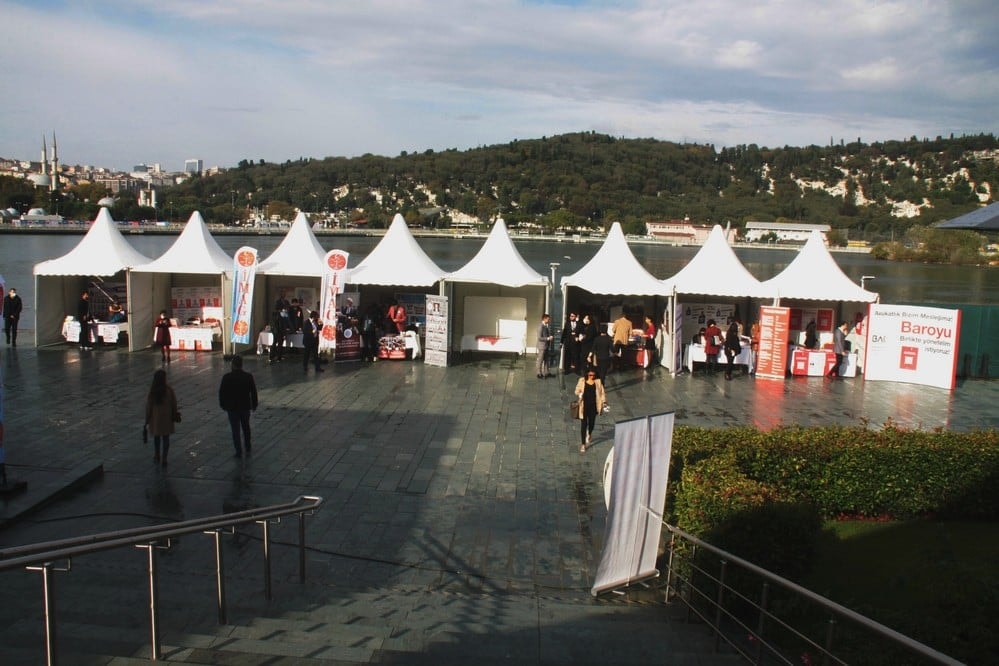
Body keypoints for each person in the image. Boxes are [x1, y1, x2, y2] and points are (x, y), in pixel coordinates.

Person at [219, 355, 259, 457]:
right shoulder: (248, 377)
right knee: (246, 427)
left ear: (233, 365)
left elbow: (222, 393)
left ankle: (238, 450)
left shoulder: (227, 377)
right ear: (241, 365)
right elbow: (253, 392)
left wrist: (223, 405)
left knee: (235, 430)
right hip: (245, 407)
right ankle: (248, 446)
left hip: (232, 408)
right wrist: (254, 404)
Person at [144, 368, 178, 467]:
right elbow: (174, 403)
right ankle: (164, 458)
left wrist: (147, 419)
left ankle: (157, 454)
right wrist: (174, 413)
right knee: (166, 438)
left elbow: (148, 407)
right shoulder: (169, 390)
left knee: (157, 437)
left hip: (156, 420)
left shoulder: (153, 392)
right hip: (167, 418)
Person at [574, 369, 607, 454]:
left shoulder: (598, 382)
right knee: (583, 425)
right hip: (584, 407)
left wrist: (604, 402)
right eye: (590, 375)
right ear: (587, 374)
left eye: (593, 375)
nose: (592, 377)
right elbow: (576, 391)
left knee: (591, 423)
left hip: (594, 406)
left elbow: (602, 393)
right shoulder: (582, 381)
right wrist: (580, 394)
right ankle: (583, 444)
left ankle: (589, 433)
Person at [535, 313, 553, 378]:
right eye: (548, 319)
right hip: (542, 346)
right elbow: (539, 337)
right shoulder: (540, 326)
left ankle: (547, 372)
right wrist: (548, 338)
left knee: (546, 360)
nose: (549, 320)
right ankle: (539, 373)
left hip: (546, 346)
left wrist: (549, 337)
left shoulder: (545, 326)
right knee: (540, 360)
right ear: (544, 319)